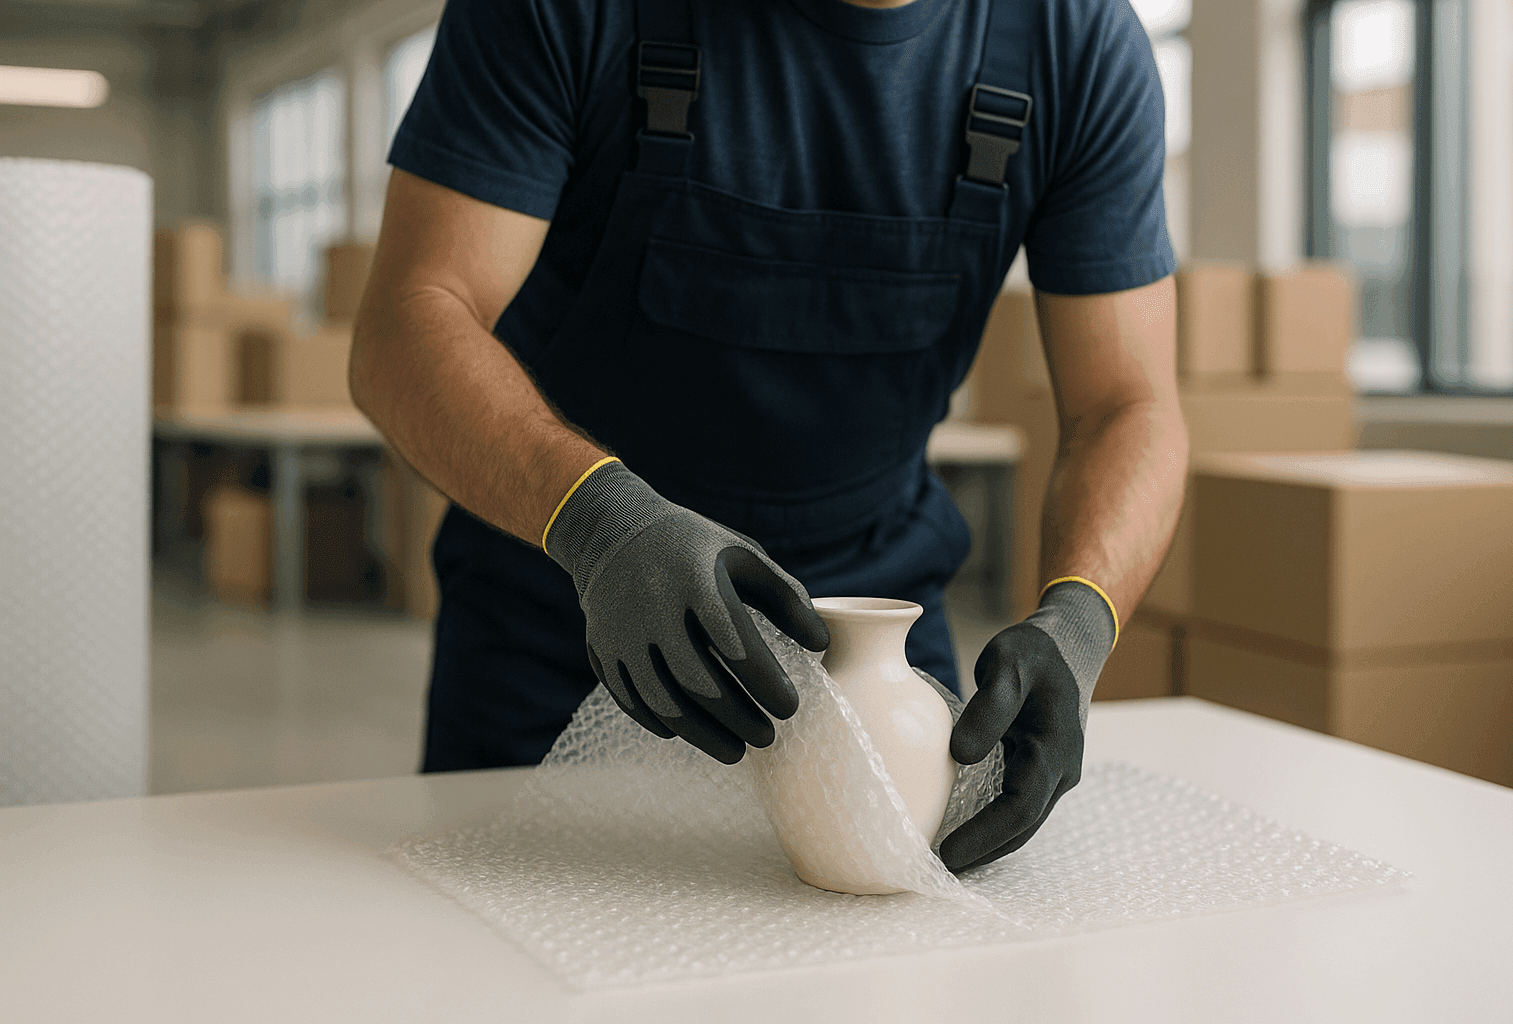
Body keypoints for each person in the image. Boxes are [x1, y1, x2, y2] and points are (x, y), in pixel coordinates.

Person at [350, 0, 1189, 873]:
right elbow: (406, 326)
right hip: (569, 629)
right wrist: (606, 526)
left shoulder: (1072, 42)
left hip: (873, 660)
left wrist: (1082, 622)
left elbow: (1127, 405)